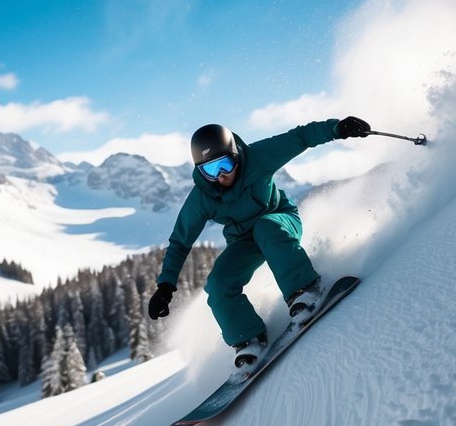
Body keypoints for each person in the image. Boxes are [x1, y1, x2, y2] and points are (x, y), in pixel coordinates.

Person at [147, 116, 371, 372]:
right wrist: (165, 285)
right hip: (244, 241)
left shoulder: (258, 157)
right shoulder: (202, 197)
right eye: (210, 170)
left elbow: (300, 137)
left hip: (280, 222)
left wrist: (337, 128)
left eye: (225, 165)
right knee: (218, 284)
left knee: (267, 227)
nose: (220, 176)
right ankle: (248, 338)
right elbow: (180, 241)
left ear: (236, 155)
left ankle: (305, 289)